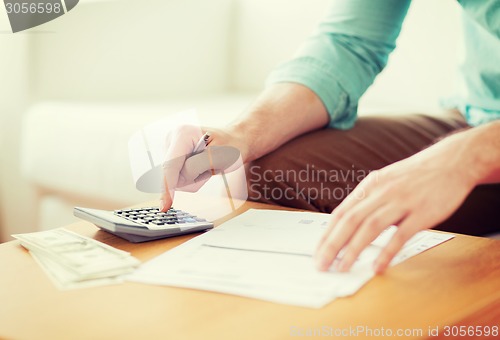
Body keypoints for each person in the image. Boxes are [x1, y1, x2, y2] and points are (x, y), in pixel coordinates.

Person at [160, 0, 500, 274]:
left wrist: (468, 156)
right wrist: (241, 133)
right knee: (272, 171)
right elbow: (349, 43)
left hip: (482, 142)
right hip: (479, 116)